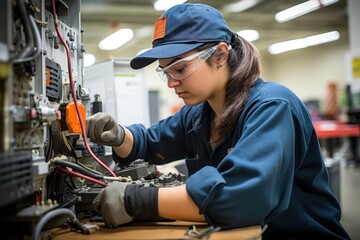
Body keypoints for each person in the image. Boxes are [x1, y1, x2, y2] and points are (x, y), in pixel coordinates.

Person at [86, 3, 350, 239]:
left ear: (221, 54)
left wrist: (137, 200)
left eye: (180, 68)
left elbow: (241, 200)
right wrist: (118, 134)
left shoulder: (272, 107)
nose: (170, 82)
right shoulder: (200, 112)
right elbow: (149, 143)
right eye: (164, 72)